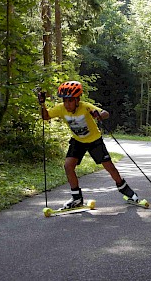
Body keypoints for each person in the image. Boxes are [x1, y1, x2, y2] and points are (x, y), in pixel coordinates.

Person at [38, 81, 140, 209]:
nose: (67, 104)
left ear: (77, 100)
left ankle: (127, 192)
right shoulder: (61, 108)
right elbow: (45, 116)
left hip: (94, 141)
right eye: (65, 101)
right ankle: (76, 198)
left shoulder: (85, 107)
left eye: (70, 101)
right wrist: (42, 104)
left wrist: (99, 115)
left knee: (110, 167)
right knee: (68, 166)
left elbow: (105, 113)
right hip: (78, 141)